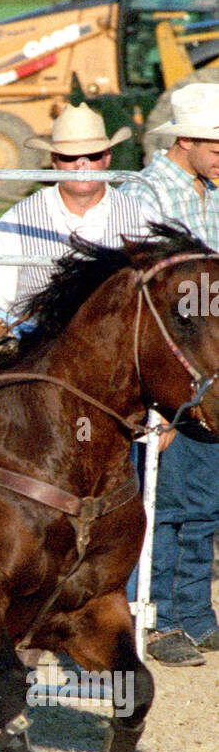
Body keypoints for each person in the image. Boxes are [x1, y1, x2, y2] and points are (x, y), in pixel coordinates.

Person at [118, 83, 219, 666]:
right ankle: (159, 621)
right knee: (166, 498)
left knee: (202, 492)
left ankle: (195, 613)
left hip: (207, 362)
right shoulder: (144, 196)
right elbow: (143, 299)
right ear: (184, 140)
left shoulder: (210, 193)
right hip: (170, 365)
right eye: (214, 143)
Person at [0, 103, 146, 319]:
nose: (81, 165)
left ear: (107, 158)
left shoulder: (141, 216)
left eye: (92, 155)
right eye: (69, 157)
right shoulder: (17, 220)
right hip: (35, 343)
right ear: (54, 162)